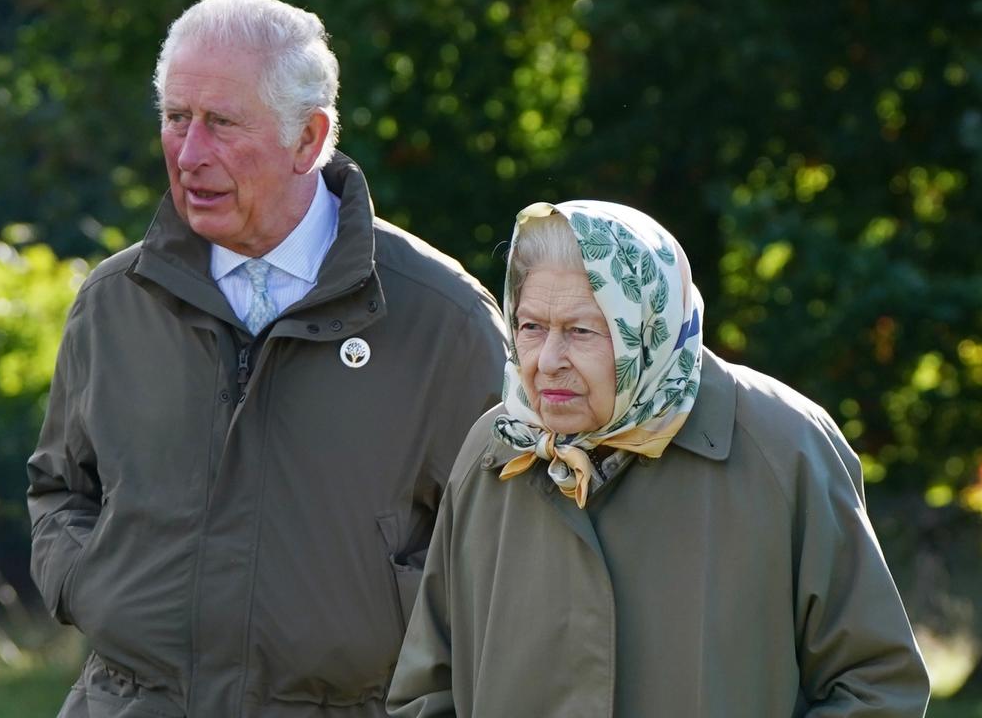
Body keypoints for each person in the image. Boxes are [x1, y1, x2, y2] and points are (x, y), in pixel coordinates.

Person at [26, 0, 507, 716]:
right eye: (175, 117)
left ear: (307, 139)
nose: (189, 154)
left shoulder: (444, 321)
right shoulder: (113, 302)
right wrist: (89, 587)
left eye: (221, 122)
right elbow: (60, 487)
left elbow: (506, 544)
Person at [386, 201, 931, 717]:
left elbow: (876, 684)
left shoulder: (784, 447)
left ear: (647, 329)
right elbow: (426, 690)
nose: (548, 361)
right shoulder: (495, 450)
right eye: (531, 327)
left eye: (581, 330)